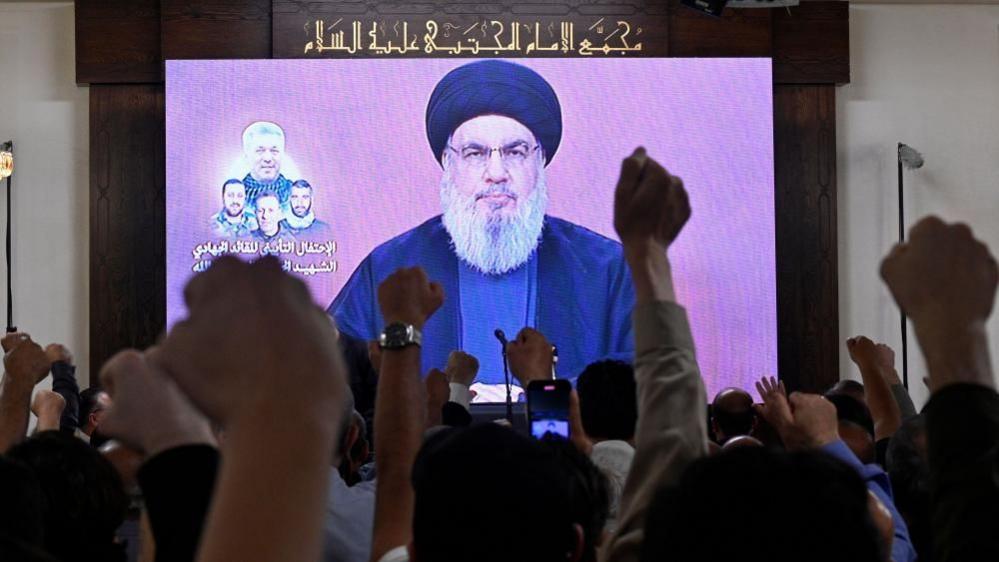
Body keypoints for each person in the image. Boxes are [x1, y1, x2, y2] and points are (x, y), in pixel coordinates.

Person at [329, 60, 635, 387]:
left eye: (515, 152)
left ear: (540, 159)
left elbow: (649, 377)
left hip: (558, 439)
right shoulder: (391, 266)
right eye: (475, 153)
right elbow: (334, 382)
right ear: (448, 161)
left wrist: (539, 397)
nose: (496, 172)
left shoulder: (606, 269)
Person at [241, 121, 293, 212]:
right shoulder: (235, 195)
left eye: (274, 151)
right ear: (246, 156)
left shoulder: (295, 193)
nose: (268, 158)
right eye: (260, 151)